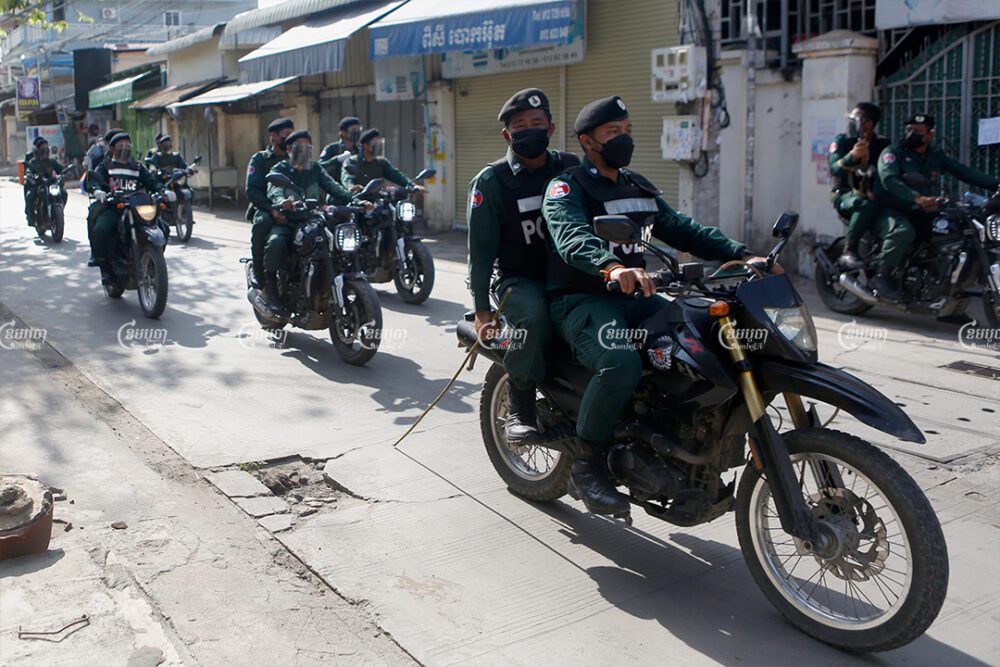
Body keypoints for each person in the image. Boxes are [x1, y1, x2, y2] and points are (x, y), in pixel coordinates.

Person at [542, 96, 773, 515]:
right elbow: (569, 234)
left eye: (627, 130)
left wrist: (740, 254)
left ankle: (677, 440)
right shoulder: (567, 186)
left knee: (704, 347)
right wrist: (610, 265)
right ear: (587, 141)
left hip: (639, 296)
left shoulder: (637, 186)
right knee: (621, 362)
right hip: (584, 298)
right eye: (614, 133)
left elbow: (682, 229)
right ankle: (588, 463)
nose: (623, 139)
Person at [467, 88, 579, 443]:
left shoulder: (570, 167)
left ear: (550, 127)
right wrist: (483, 310)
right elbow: (481, 252)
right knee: (533, 318)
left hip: (572, 274)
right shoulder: (491, 181)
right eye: (520, 125)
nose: (529, 130)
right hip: (520, 279)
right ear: (507, 134)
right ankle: (522, 405)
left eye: (537, 123)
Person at [872, 113, 999, 301]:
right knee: (903, 232)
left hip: (922, 208)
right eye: (908, 130)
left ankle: (944, 298)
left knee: (952, 233)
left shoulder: (935, 155)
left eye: (917, 131)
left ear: (930, 135)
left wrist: (996, 185)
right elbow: (889, 180)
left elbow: (964, 172)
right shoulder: (893, 152)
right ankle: (882, 276)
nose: (911, 135)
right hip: (891, 208)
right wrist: (916, 197)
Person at [262, 130, 359, 311]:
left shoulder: (315, 168)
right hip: (288, 223)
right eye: (300, 147)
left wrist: (356, 200)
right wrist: (282, 202)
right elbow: (275, 189)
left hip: (313, 220)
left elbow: (334, 187)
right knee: (276, 242)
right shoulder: (280, 169)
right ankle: (271, 288)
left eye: (308, 147)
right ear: (289, 148)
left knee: (337, 242)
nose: (305, 151)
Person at [87, 132, 168, 284]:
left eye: (127, 145)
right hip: (114, 208)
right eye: (120, 145)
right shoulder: (105, 166)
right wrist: (97, 190)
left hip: (137, 208)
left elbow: (152, 182)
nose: (124, 148)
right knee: (101, 230)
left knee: (164, 228)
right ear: (112, 149)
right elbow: (94, 180)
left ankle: (151, 261)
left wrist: (162, 191)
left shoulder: (138, 167)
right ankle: (105, 267)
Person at [828, 102, 890, 269]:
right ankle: (849, 250)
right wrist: (851, 156)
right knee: (864, 204)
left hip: (875, 196)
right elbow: (834, 169)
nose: (850, 122)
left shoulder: (883, 145)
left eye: (855, 119)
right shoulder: (842, 141)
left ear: (869, 123)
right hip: (844, 194)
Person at [246, 117, 295, 288]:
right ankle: (259, 269)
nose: (289, 139)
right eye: (286, 135)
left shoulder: (295, 158)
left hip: (292, 206)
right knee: (263, 222)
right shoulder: (260, 159)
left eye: (292, 135)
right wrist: (271, 209)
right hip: (265, 206)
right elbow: (252, 190)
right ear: (274, 136)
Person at [341, 129, 425, 191]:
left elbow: (396, 175)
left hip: (377, 200)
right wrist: (351, 187)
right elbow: (347, 177)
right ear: (366, 145)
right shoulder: (352, 161)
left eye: (380, 143)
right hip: (357, 199)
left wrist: (413, 186)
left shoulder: (381, 162)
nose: (378, 146)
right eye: (375, 143)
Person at [23, 137, 64, 227]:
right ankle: (32, 217)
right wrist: (30, 175)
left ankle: (58, 210)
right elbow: (28, 170)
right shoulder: (33, 161)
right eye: (43, 148)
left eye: (47, 147)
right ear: (38, 149)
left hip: (50, 184)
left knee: (63, 193)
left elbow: (61, 169)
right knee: (30, 196)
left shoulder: (51, 161)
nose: (46, 150)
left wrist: (68, 173)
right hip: (38, 184)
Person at [319, 116, 363, 186]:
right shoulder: (331, 149)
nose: (357, 132)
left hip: (356, 190)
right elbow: (320, 168)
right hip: (335, 190)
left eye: (359, 129)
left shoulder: (361, 150)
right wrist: (337, 159)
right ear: (343, 132)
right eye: (353, 129)